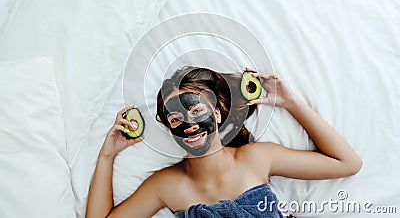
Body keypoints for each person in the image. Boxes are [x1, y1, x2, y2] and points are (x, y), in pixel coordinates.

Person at [86, 66, 362, 218]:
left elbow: (347, 163)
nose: (190, 125)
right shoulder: (165, 184)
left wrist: (289, 103)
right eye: (176, 119)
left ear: (217, 112)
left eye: (196, 110)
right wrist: (107, 156)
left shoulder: (255, 158)